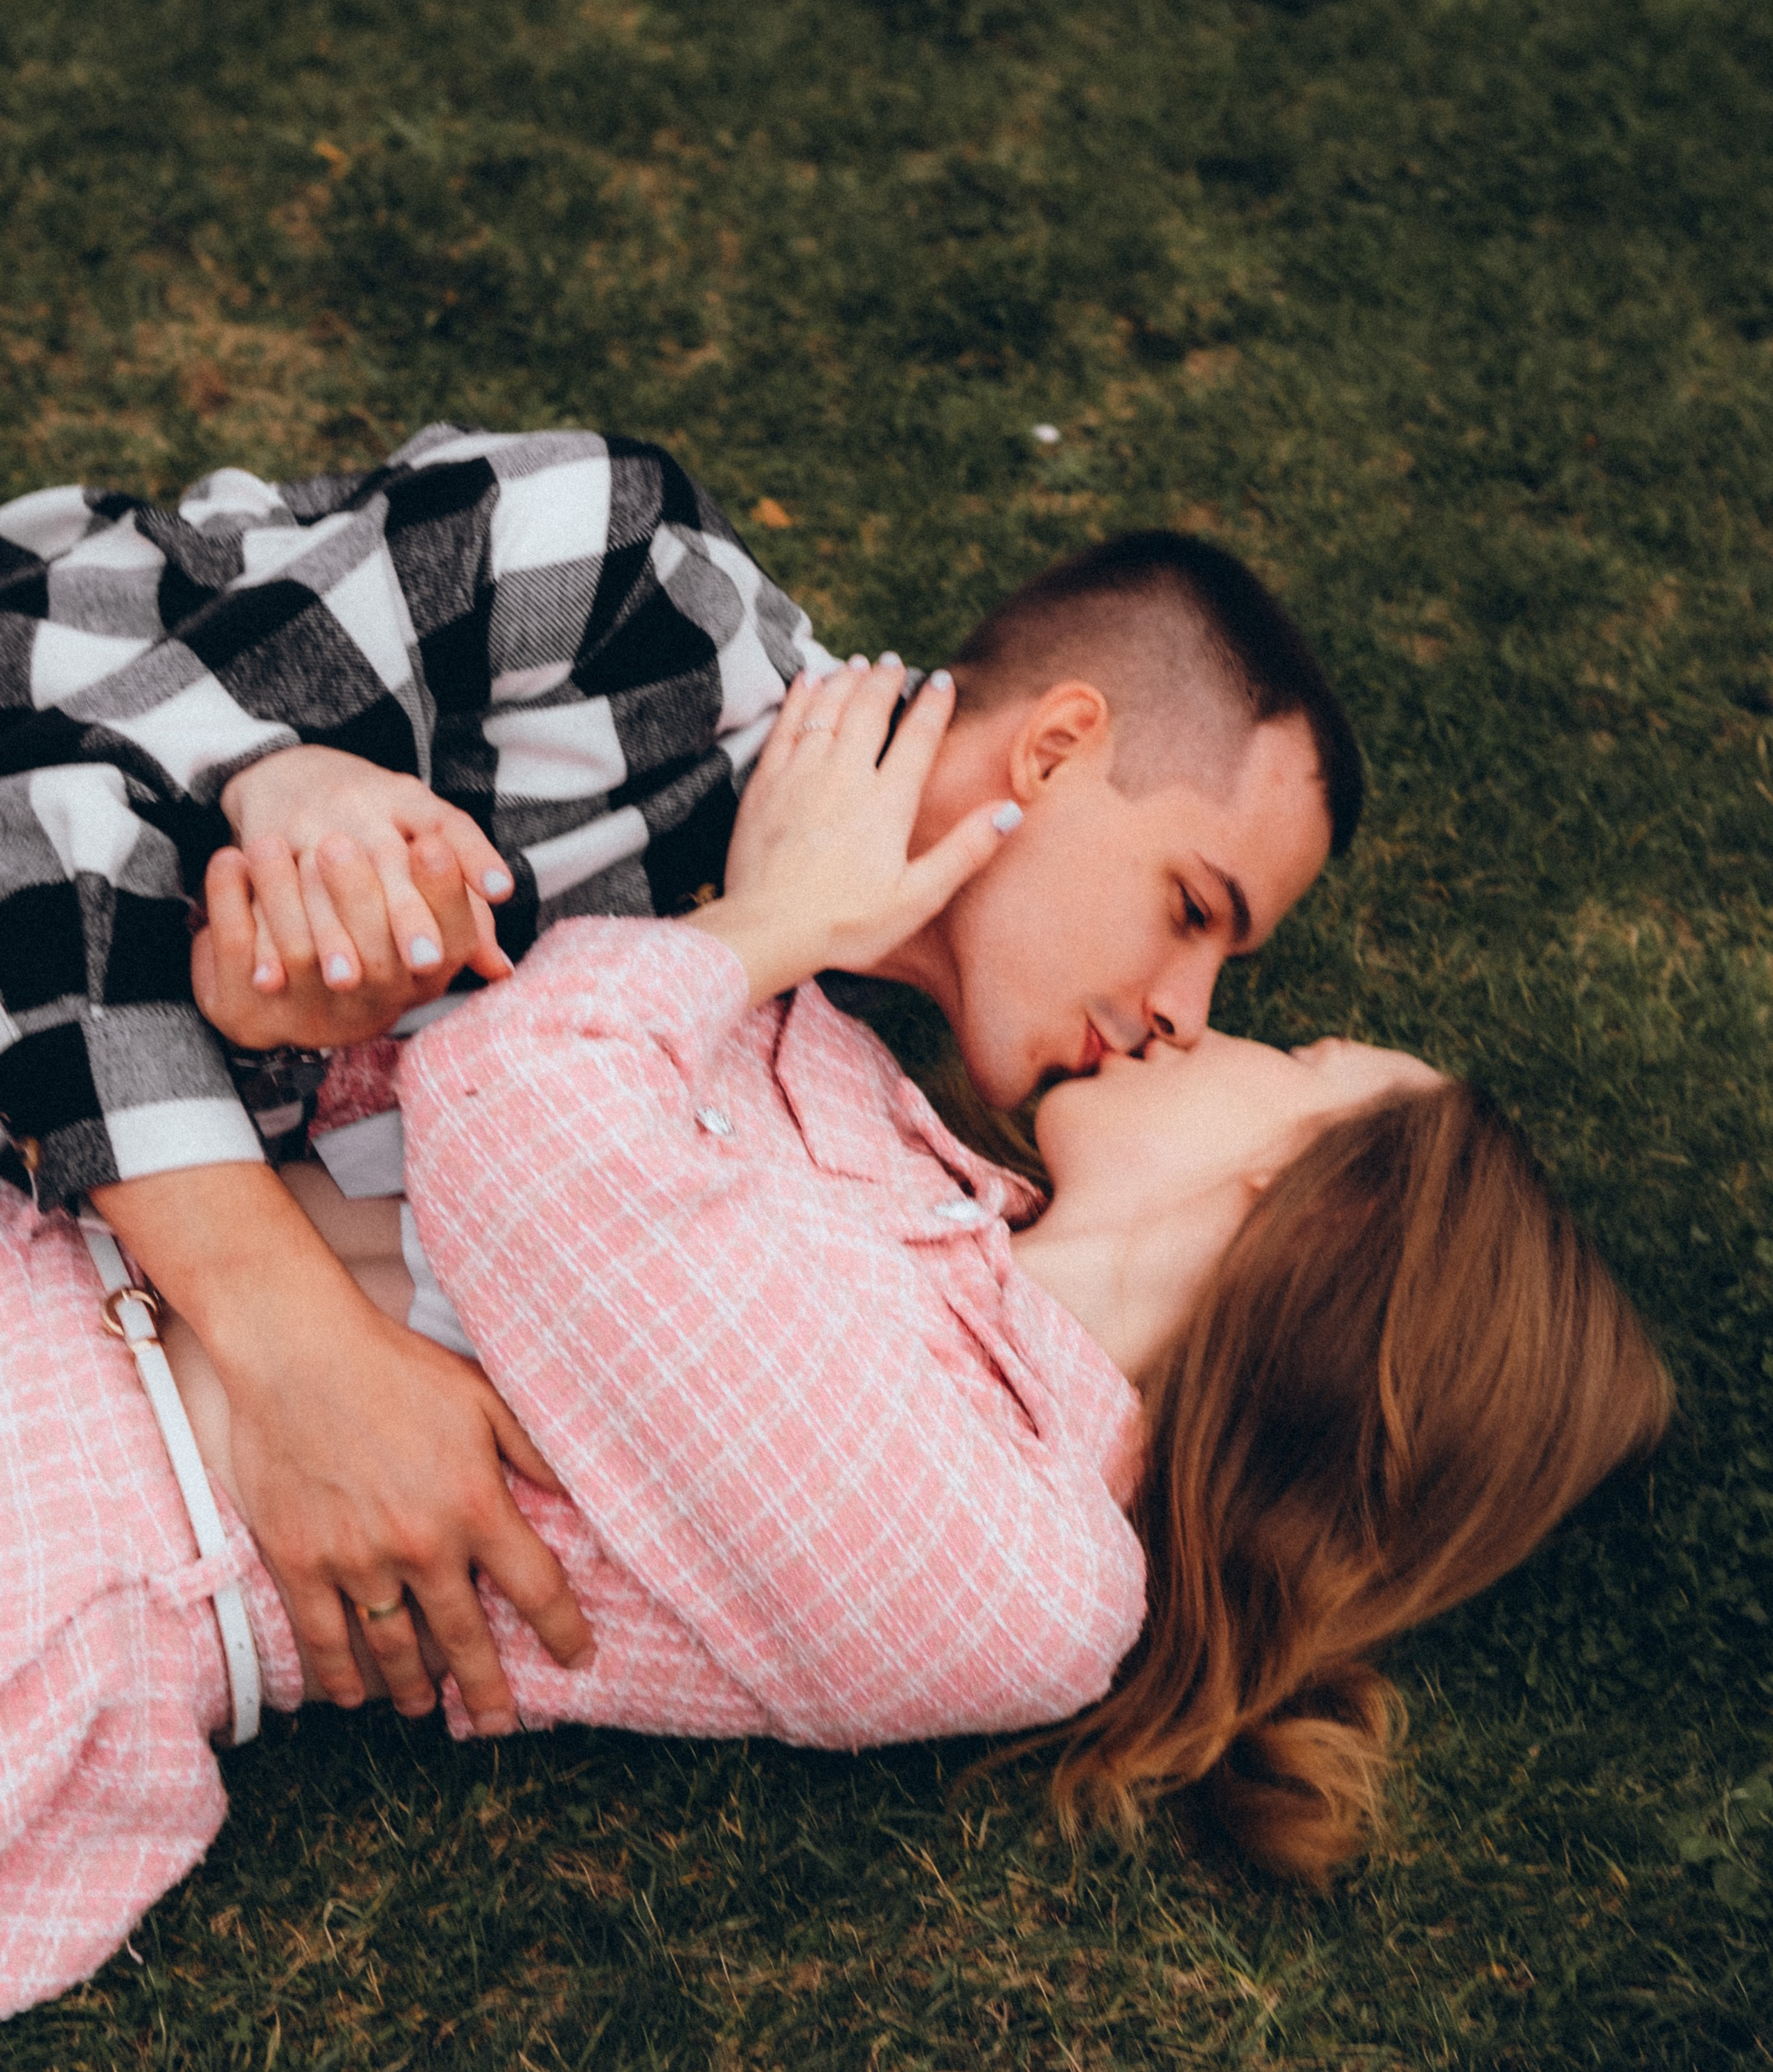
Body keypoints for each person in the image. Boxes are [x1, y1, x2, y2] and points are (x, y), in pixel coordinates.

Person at [0, 652, 1668, 2018]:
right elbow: (430, 1075)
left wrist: (778, 917)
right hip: (80, 1234)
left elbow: (515, 1107)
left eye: (1295, 1059)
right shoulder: (894, 1139)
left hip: (81, 1531)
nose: (1198, 1024)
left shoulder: (1025, 1576)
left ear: (1296, 1202)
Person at [0, 427, 1356, 1736]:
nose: (1182, 1016)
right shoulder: (629, 578)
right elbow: (35, 809)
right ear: (1055, 751)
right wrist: (308, 1363)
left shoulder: (821, 1065)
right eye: (1192, 910)